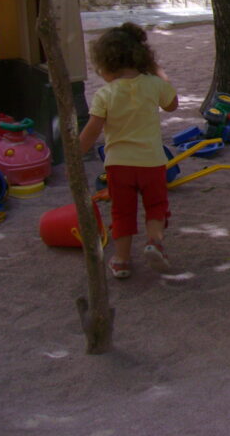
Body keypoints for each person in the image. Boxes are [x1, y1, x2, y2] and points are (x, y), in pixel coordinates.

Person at [78, 23, 179, 279]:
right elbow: (173, 105)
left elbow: (92, 130)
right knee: (156, 205)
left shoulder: (105, 94)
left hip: (119, 165)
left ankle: (122, 260)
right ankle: (154, 242)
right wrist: (157, 71)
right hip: (152, 163)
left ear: (106, 63)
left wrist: (76, 152)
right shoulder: (154, 85)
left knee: (122, 212)